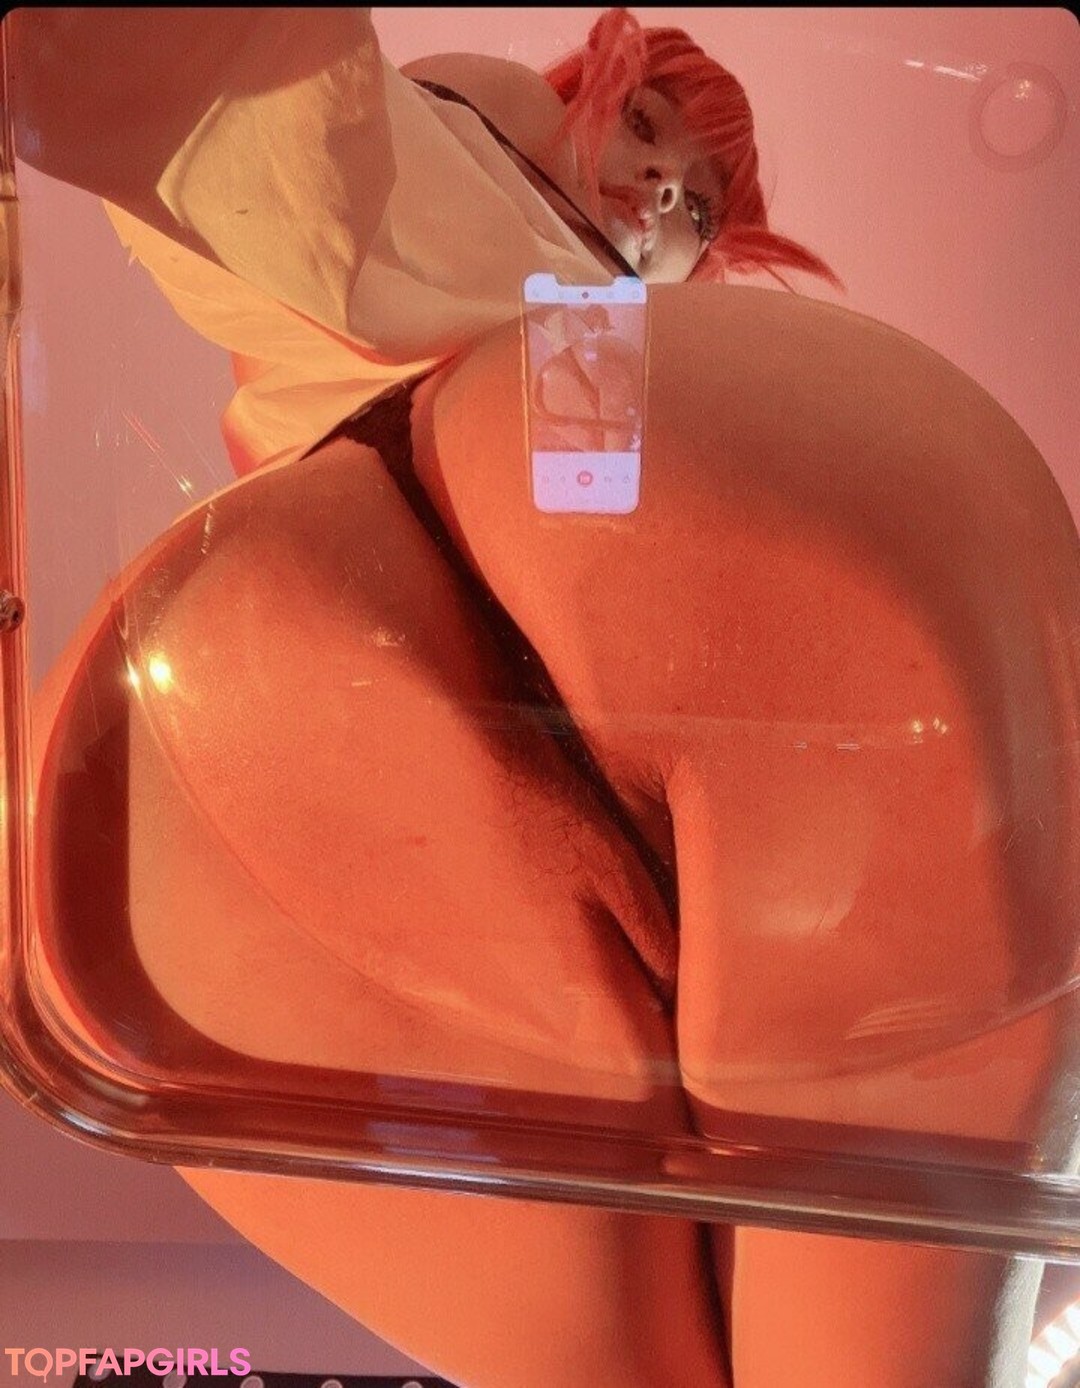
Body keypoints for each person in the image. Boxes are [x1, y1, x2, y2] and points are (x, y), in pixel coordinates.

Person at [14, 8, 1078, 1387]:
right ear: (582, 90)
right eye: (643, 124)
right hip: (493, 498)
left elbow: (245, 125)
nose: (663, 187)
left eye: (699, 206)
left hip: (256, 611)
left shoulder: (536, 287)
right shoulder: (564, 270)